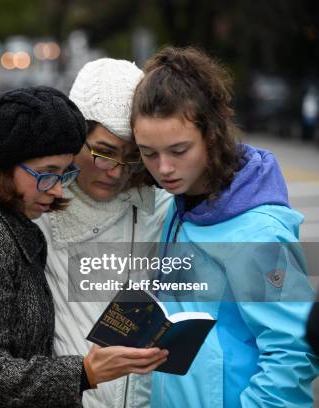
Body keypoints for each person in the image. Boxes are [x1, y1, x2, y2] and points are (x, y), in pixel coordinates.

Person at [0, 60, 173, 407]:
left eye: (132, 157)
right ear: (76, 138)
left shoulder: (158, 202)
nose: (116, 171)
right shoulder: (37, 194)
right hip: (63, 391)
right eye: (104, 152)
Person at [130, 46, 318, 407]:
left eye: (179, 150)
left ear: (212, 135)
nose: (163, 167)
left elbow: (293, 352)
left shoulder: (257, 234)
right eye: (148, 153)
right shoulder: (180, 202)